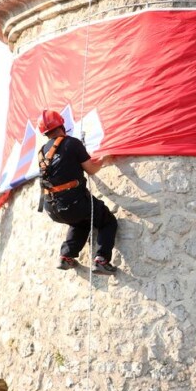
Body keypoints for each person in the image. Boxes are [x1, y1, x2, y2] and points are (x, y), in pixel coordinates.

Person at [36, 110, 119, 274]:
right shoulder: (72, 143)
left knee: (80, 222)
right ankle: (102, 259)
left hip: (52, 208)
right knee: (107, 220)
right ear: (62, 125)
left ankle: (66, 256)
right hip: (73, 203)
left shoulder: (43, 151)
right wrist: (103, 159)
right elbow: (91, 169)